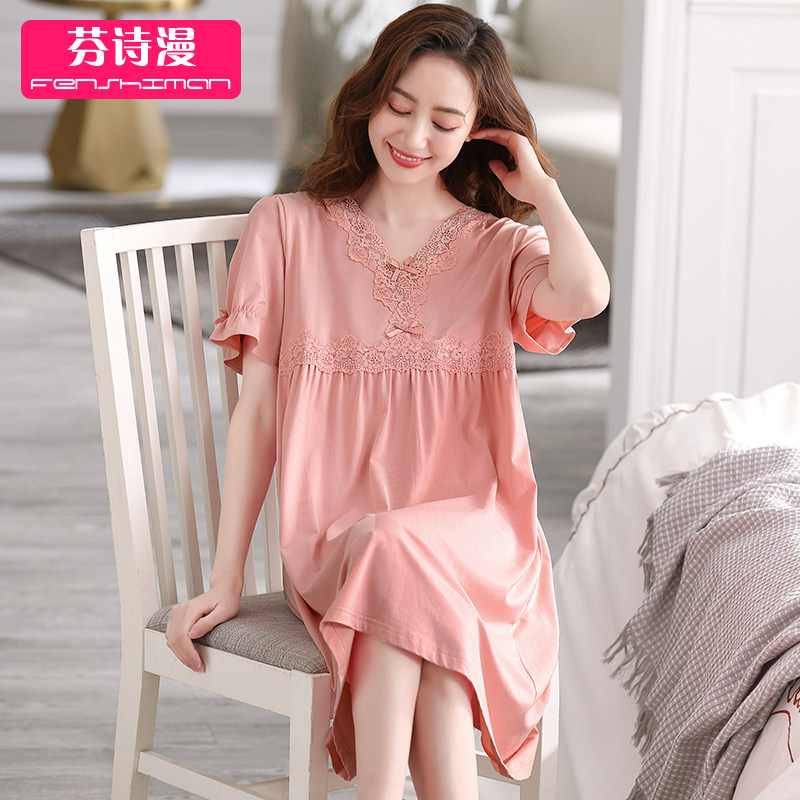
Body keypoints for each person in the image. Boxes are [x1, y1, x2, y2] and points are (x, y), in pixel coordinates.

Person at [165, 4, 610, 799]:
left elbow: (585, 294)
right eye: (400, 106)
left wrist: (542, 190)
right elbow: (257, 416)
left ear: (481, 134)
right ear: (370, 98)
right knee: (393, 560)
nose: (413, 135)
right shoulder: (287, 227)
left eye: (445, 121)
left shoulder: (499, 246)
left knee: (399, 559)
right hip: (337, 541)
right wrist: (226, 578)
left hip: (477, 538)